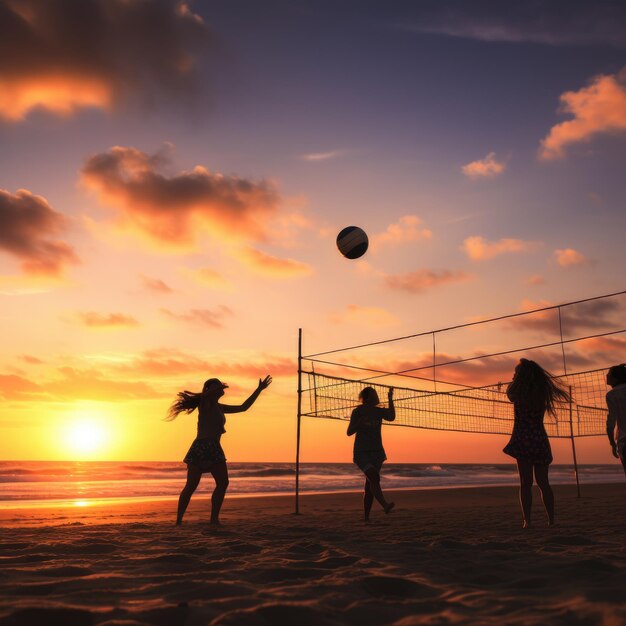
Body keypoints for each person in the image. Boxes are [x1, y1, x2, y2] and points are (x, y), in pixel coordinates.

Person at [167, 375, 272, 526]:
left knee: (223, 483)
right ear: (209, 390)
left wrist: (259, 389)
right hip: (201, 447)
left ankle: (214, 519)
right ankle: (178, 521)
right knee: (191, 486)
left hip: (214, 447)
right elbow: (206, 394)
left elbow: (244, 407)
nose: (221, 388)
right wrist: (214, 388)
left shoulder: (219, 407)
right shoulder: (205, 403)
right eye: (217, 386)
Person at [503, 358, 570, 529]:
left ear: (521, 376)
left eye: (516, 372)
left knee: (526, 482)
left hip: (523, 438)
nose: (513, 375)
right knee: (543, 482)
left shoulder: (516, 391)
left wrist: (514, 380)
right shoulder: (542, 391)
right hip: (539, 438)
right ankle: (552, 520)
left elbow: (509, 394)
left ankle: (527, 521)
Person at [347, 386, 396, 521]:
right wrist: (359, 424)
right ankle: (385, 505)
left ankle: (366, 518)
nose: (377, 396)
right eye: (375, 394)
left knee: (370, 485)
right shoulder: (358, 411)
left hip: (377, 453)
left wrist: (390, 399)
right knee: (374, 478)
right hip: (362, 452)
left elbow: (391, 417)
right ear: (368, 397)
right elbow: (349, 432)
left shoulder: (378, 411)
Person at [606, 363, 626, 478]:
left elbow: (611, 423)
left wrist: (612, 443)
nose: (606, 375)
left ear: (615, 378)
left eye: (609, 374)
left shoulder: (612, 394)